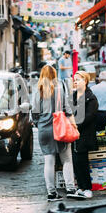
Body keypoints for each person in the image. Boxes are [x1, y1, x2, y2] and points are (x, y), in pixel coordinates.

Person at [32, 65, 78, 201]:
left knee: (49, 161)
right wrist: (73, 125)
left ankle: (51, 193)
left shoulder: (38, 90)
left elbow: (34, 112)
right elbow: (67, 108)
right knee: (67, 160)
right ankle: (70, 189)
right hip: (60, 128)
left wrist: (38, 123)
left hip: (44, 129)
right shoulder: (60, 88)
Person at [71, 71, 99, 199]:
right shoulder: (74, 96)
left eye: (78, 79)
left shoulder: (91, 97)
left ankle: (87, 188)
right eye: (74, 80)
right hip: (74, 134)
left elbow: (89, 116)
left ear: (85, 81)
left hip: (84, 134)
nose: (75, 82)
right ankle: (81, 187)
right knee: (76, 161)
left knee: (82, 161)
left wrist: (75, 123)